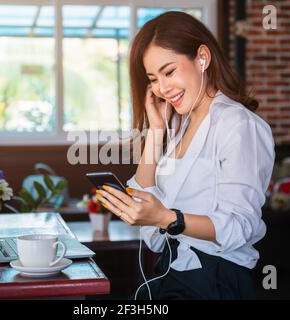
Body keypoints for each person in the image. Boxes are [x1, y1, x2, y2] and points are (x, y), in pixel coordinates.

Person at [96, 11, 275, 300]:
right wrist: (155, 131)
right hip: (173, 273)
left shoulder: (239, 126)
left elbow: (240, 226)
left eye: (169, 72)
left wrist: (167, 217)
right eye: (153, 79)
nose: (162, 89)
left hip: (218, 280)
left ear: (202, 58)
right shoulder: (180, 125)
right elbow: (149, 223)